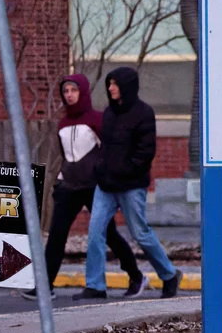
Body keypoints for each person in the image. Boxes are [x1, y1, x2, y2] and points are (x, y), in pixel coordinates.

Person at [23, 75, 144, 301]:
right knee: (57, 235)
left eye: (73, 90)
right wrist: (60, 180)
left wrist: (109, 178)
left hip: (94, 186)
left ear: (83, 92)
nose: (69, 94)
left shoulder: (97, 119)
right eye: (66, 91)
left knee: (108, 234)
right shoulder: (62, 124)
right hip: (69, 187)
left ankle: (136, 276)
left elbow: (111, 150)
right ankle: (45, 287)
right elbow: (67, 156)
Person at [75, 66, 183, 300]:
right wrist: (100, 169)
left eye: (115, 84)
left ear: (127, 86)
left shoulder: (144, 113)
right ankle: (95, 285)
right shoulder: (109, 113)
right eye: (110, 83)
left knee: (140, 233)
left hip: (131, 185)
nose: (111, 88)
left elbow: (145, 153)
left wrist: (123, 170)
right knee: (95, 232)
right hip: (106, 185)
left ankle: (169, 274)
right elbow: (105, 148)